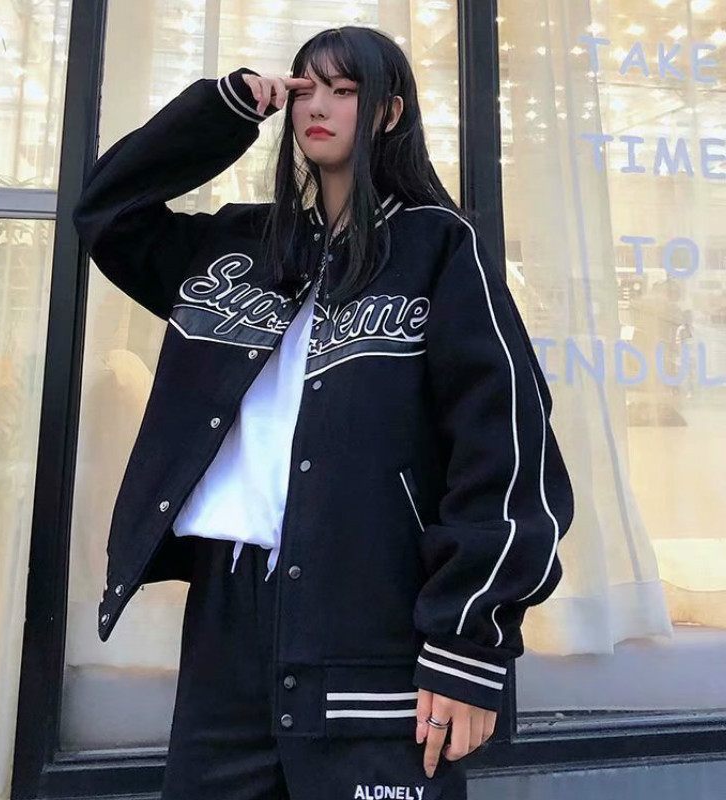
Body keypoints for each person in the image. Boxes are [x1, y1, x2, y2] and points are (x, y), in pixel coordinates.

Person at [72, 25, 574, 800]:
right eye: (308, 87)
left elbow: (504, 447)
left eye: (345, 91)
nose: (320, 106)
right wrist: (225, 110)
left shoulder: (438, 247)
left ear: (387, 113)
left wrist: (469, 646)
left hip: (372, 606)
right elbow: (107, 212)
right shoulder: (240, 246)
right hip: (229, 607)